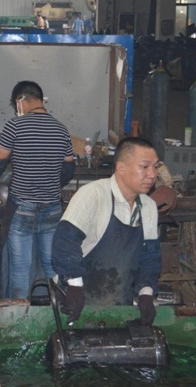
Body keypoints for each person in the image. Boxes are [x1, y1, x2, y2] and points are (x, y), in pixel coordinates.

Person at [0, 81, 75, 299]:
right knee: (51, 266)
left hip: (22, 209)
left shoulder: (15, 126)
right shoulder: (61, 129)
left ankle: (18, 316)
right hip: (52, 209)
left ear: (20, 101)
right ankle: (59, 311)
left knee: (20, 268)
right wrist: (49, 184)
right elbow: (69, 169)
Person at [52, 136, 162, 325]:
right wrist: (75, 287)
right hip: (74, 302)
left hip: (119, 305)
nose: (152, 174)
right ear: (121, 168)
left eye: (155, 167)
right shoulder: (93, 195)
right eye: (144, 167)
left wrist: (146, 294)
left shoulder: (148, 207)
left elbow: (149, 257)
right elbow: (65, 240)